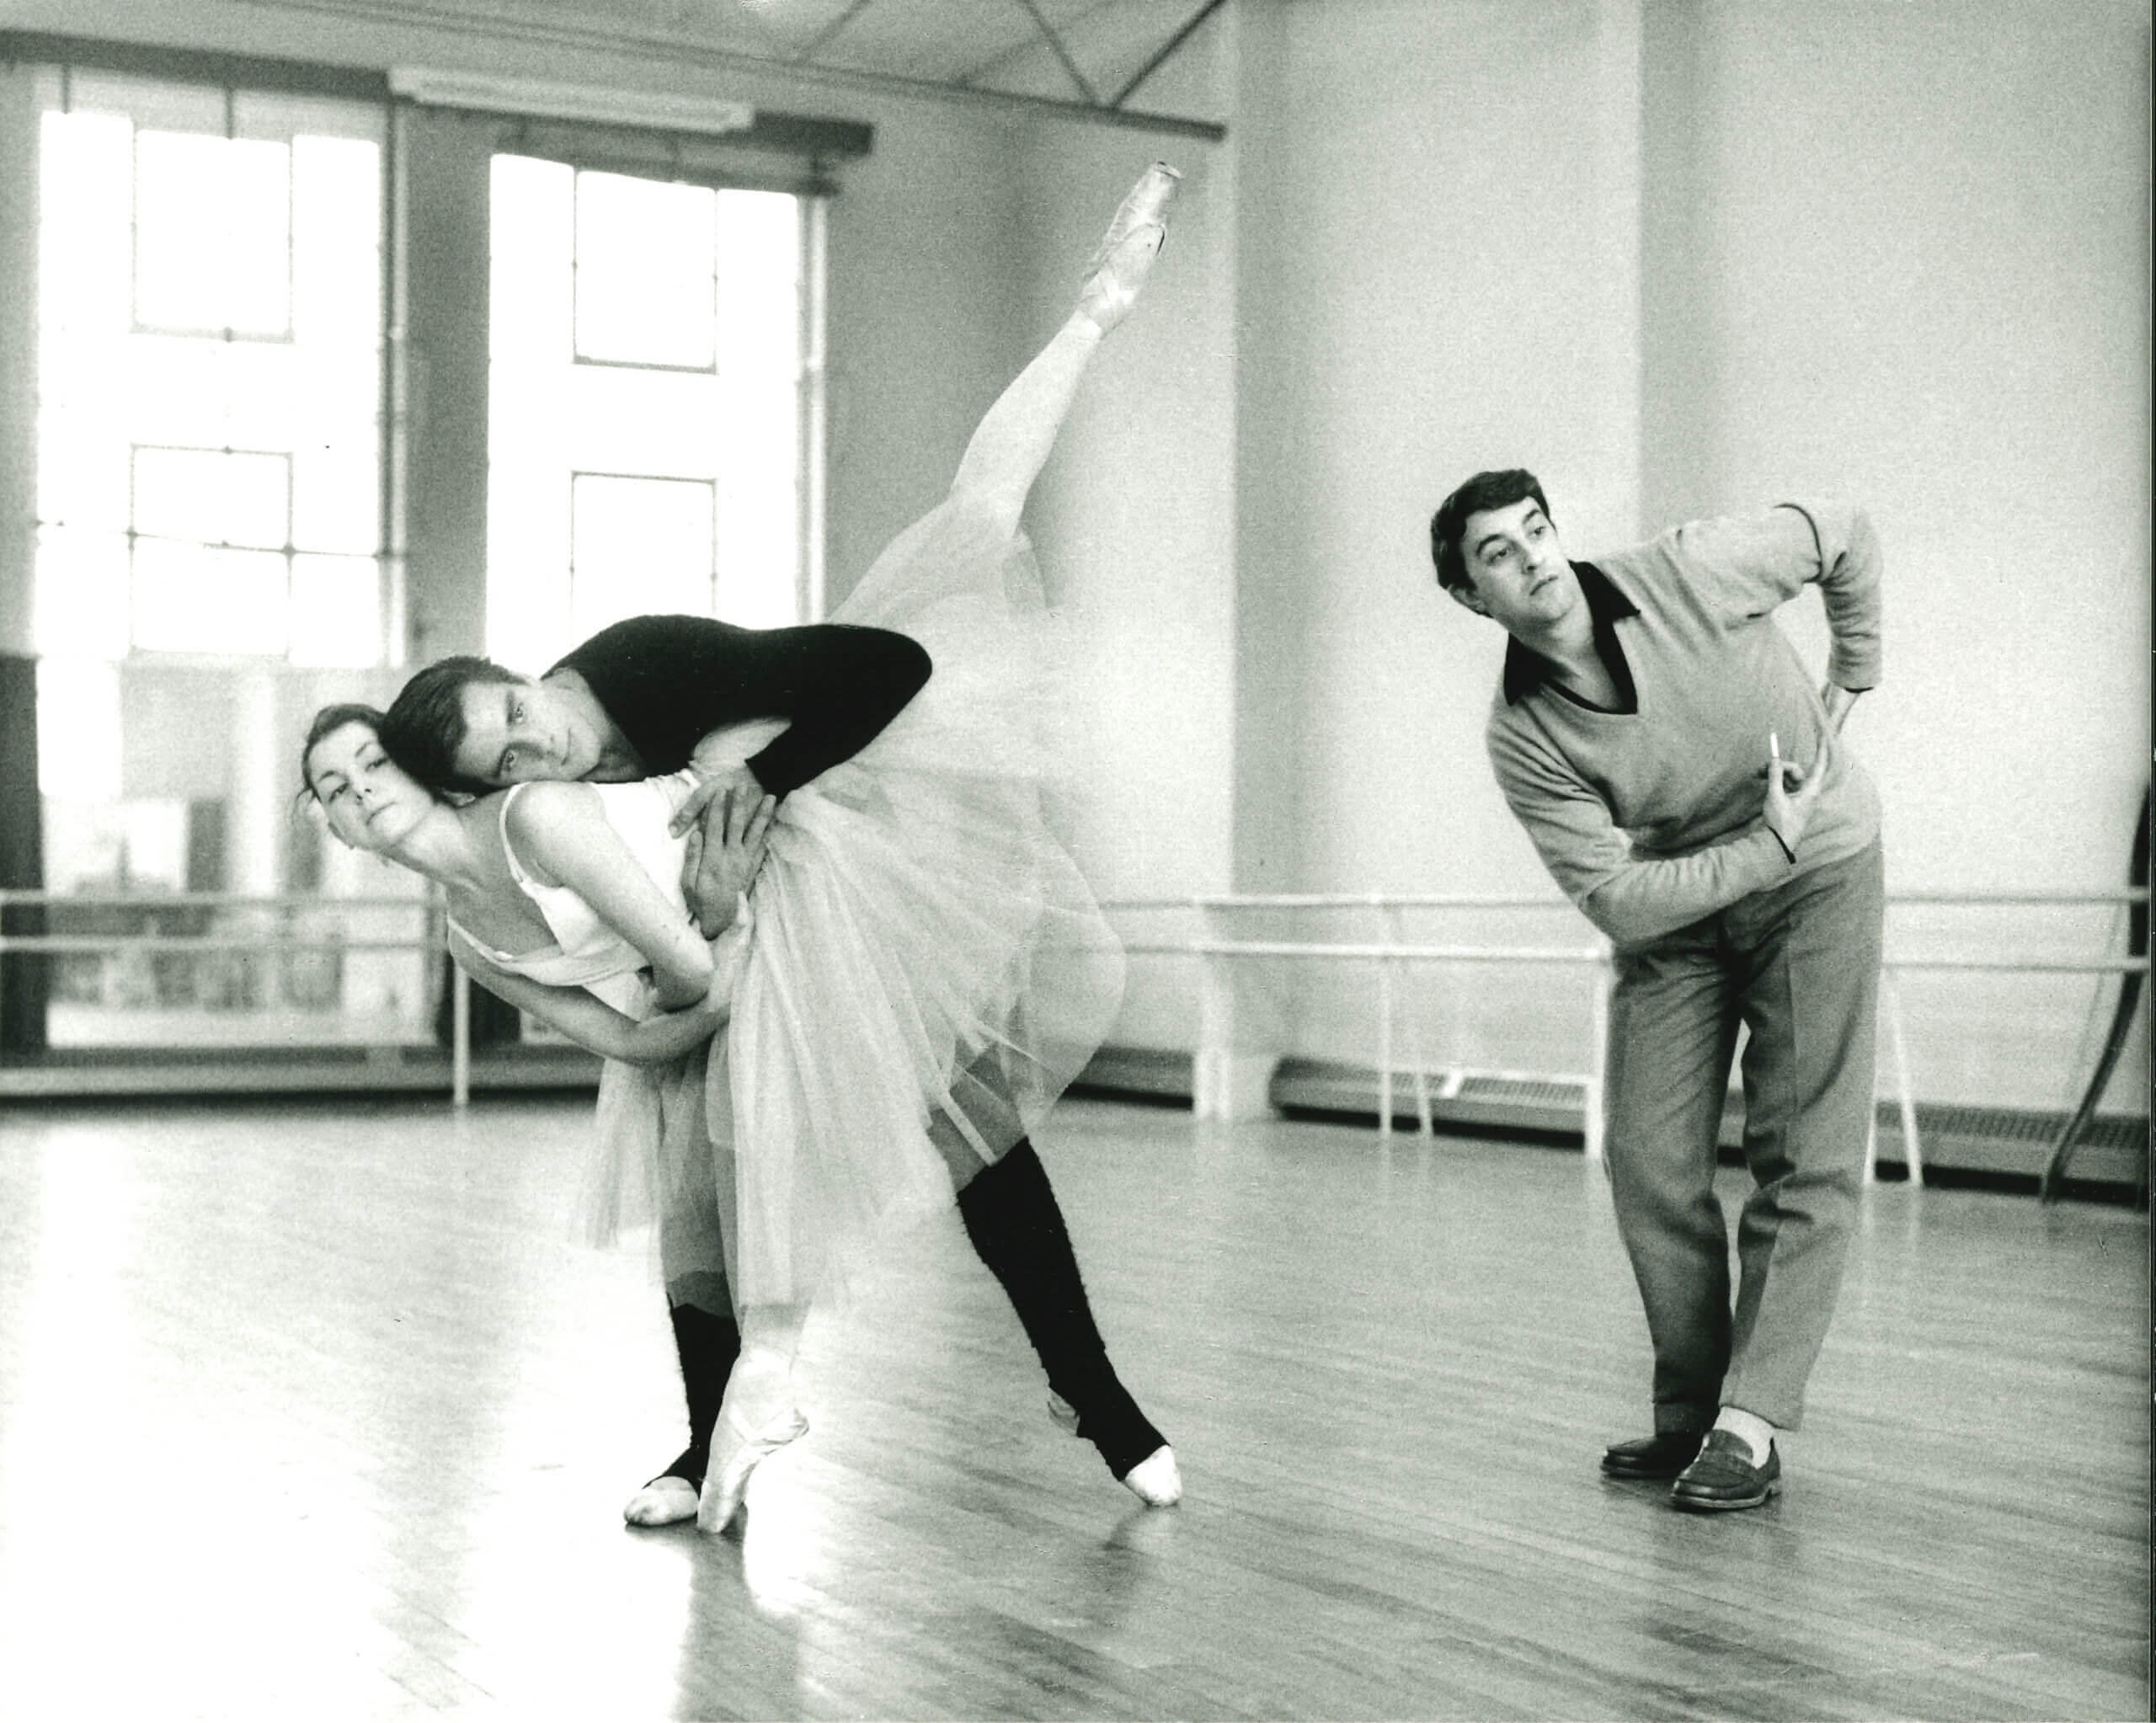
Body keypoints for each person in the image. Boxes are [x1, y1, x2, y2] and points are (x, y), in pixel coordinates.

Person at [374, 163, 1189, 1532]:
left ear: (525, 674)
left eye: (519, 718)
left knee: (977, 1122)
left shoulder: (640, 661)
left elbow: (889, 663)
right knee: (700, 1178)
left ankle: (1093, 1391)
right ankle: (708, 1450)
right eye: (499, 765)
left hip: (860, 819)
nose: (535, 754)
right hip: (731, 911)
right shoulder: (526, 804)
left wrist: (765, 770)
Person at [1430, 469, 1883, 1512]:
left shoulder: (1687, 570)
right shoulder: (1521, 731)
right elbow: (1618, 901)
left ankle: (1750, 1422)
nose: (1532, 557)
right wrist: (1759, 844)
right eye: (1498, 552)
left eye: (1535, 530)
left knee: (1804, 1148)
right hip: (1688, 902)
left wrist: (1854, 667)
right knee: (1645, 1154)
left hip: (1819, 871)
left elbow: (1841, 531)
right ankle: (1689, 1409)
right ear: (1470, 596)